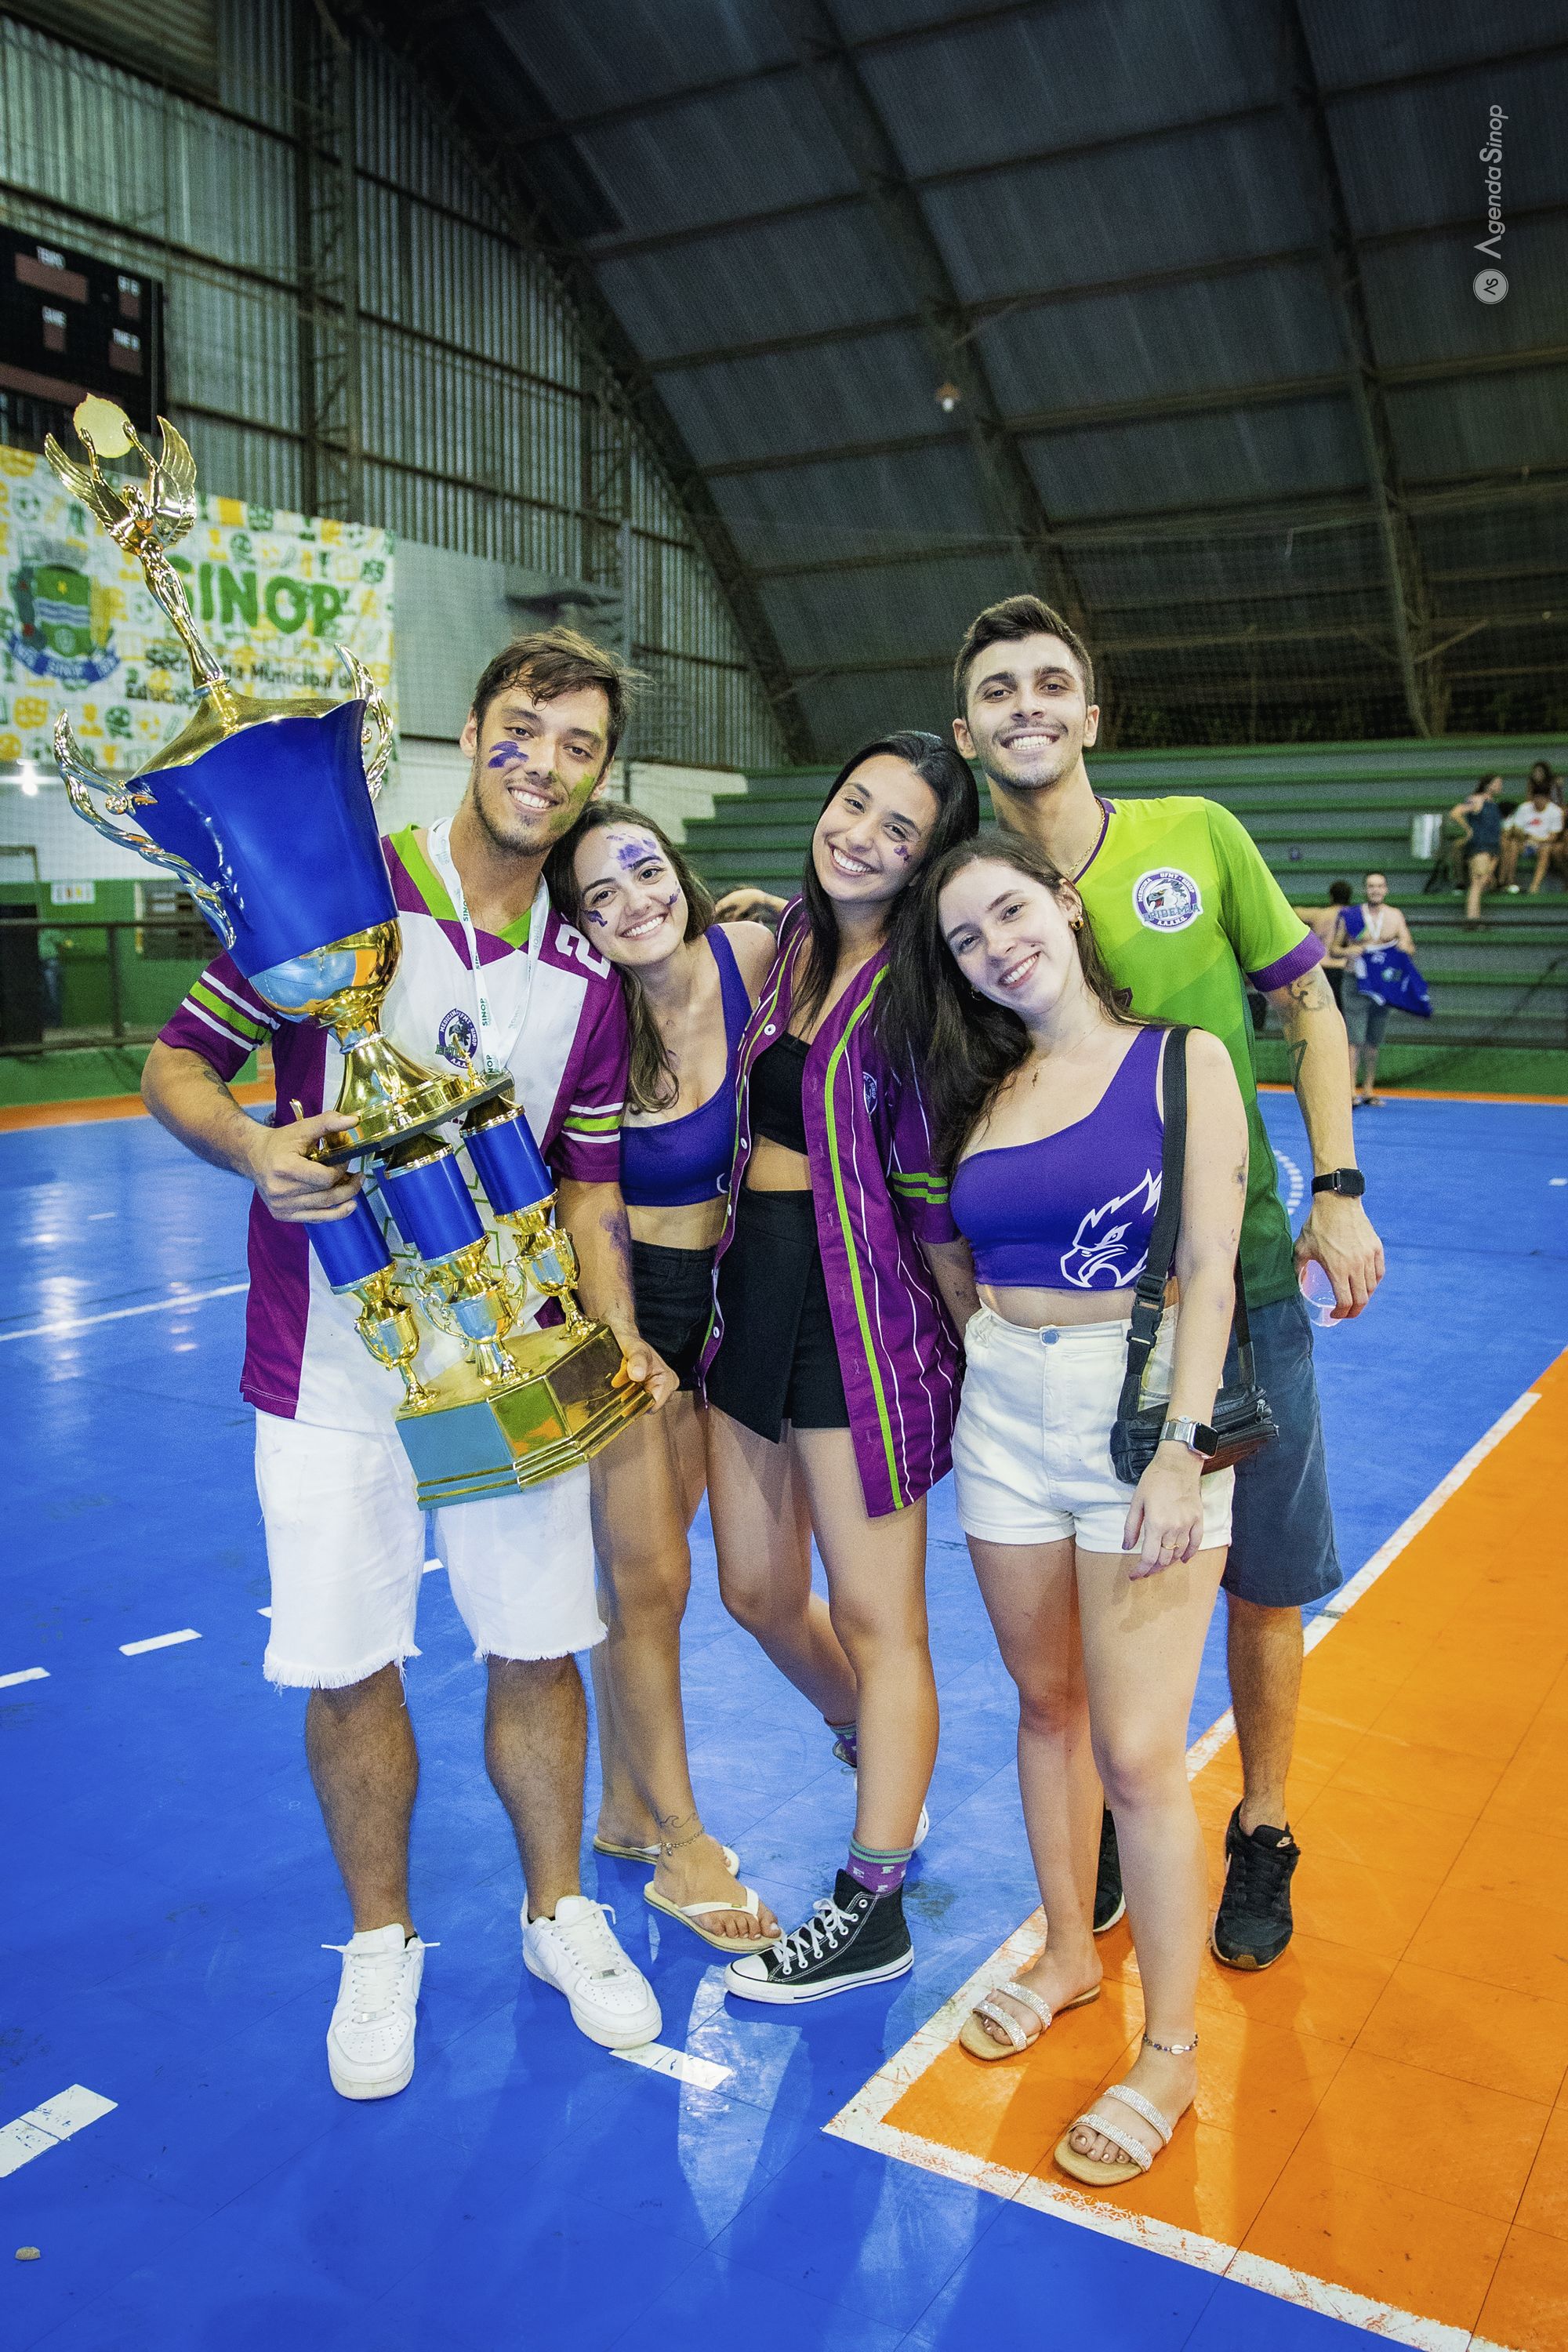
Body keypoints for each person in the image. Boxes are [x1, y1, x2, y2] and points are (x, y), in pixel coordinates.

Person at [141, 629, 677, 2102]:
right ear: (473, 728)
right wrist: (255, 1149)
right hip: (330, 1357)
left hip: (517, 1347)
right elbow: (177, 1062)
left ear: (599, 774)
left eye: (578, 746)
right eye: (524, 727)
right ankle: (380, 1941)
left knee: (539, 1638)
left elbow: (588, 1187)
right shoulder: (334, 882)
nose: (545, 764)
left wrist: (617, 1327)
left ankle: (557, 1914)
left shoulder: (591, 968)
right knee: (344, 1655)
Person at [947, 594, 1383, 1970]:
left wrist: (1336, 1185)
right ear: (966, 734)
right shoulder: (966, 905)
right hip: (1073, 1327)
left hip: (1234, 1286)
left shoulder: (1196, 836)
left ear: (1090, 712)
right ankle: (1111, 1821)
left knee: (1265, 1580)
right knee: (1086, 1595)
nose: (1027, 707)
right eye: (999, 691)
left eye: (1049, 683)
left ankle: (1262, 1821)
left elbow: (1308, 1007)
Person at [897, 831, 1247, 2184]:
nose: (997, 947)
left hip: (1139, 1410)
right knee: (1047, 1708)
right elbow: (959, 1262)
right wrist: (995, 1367)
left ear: (1063, 903)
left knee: (1141, 1754)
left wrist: (1182, 1447)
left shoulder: (1180, 1062)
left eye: (1009, 912)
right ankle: (1065, 1953)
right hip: (1004, 1406)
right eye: (966, 941)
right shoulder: (982, 1089)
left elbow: (1211, 1266)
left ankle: (1172, 2051)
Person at [701, 733, 980, 2005]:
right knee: (757, 1590)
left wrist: (980, 1344)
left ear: (929, 861)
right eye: (854, 803)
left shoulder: (922, 989)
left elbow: (937, 1200)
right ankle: (874, 1738)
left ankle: (874, 1903)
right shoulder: (794, 944)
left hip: (862, 1316)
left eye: (899, 827)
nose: (862, 833)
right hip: (752, 1287)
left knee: (879, 1618)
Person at [543, 802, 779, 1950]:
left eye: (645, 871)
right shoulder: (586, 1015)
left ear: (680, 873)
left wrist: (780, 909)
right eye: (601, 895)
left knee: (674, 1575)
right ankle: (682, 1848)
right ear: (580, 926)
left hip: (726, 1298)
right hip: (617, 1313)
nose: (634, 902)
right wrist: (617, 1329)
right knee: (646, 1582)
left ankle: (628, 1809)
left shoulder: (751, 953)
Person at [1334, 873, 1417, 1107]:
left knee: (1373, 1041)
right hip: (1356, 981)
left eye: (1380, 886)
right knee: (1355, 1039)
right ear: (1365, 889)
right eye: (1371, 886)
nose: (1375, 890)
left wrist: (1403, 947)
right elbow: (1333, 948)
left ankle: (1369, 1089)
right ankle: (1350, 1091)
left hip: (1382, 984)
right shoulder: (1351, 915)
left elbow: (1409, 946)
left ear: (1386, 890)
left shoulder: (1395, 916)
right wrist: (1349, 951)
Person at [1450, 775, 1504, 927]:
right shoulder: (1476, 800)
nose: (1500, 786)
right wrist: (1468, 830)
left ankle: (1475, 918)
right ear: (1488, 784)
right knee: (1477, 882)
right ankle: (1472, 919)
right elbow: (1455, 812)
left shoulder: (1493, 804)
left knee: (1482, 882)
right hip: (1480, 847)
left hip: (1492, 848)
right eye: (1497, 783)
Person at [1500, 775, 1565, 895]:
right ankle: (1509, 881)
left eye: (1541, 798)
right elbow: (1516, 829)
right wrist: (1525, 837)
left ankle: (1534, 886)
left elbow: (1554, 836)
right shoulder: (1524, 808)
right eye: (1536, 797)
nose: (1538, 801)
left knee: (1546, 850)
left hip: (1543, 844)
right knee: (1512, 844)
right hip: (1524, 843)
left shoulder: (1556, 811)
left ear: (1547, 798)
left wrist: (1536, 839)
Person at [1305, 881, 1354, 1010]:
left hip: (1322, 967)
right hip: (1342, 967)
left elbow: (1294, 911)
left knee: (1322, 1011)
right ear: (1349, 897)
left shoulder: (1318, 915)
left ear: (1331, 896)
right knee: (1342, 1012)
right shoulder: (1353, 916)